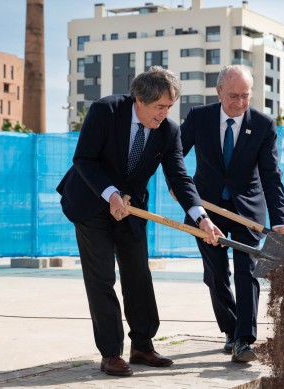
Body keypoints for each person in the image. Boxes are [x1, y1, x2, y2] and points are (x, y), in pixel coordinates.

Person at [56, 66, 221, 377]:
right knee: (102, 277)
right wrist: (110, 194)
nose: (164, 114)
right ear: (139, 100)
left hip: (131, 208)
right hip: (92, 201)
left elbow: (180, 178)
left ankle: (142, 345)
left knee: (138, 275)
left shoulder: (169, 131)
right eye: (159, 107)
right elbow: (84, 159)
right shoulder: (105, 111)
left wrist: (201, 218)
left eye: (169, 107)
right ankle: (110, 353)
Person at [178, 65, 284, 363]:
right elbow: (174, 157)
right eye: (232, 96)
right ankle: (230, 329)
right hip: (206, 209)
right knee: (215, 274)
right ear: (218, 92)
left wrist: (279, 222)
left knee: (247, 270)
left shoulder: (264, 125)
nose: (239, 103)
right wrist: (183, 192)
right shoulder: (199, 118)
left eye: (245, 96)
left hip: (248, 210)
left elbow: (271, 175)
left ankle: (244, 339)